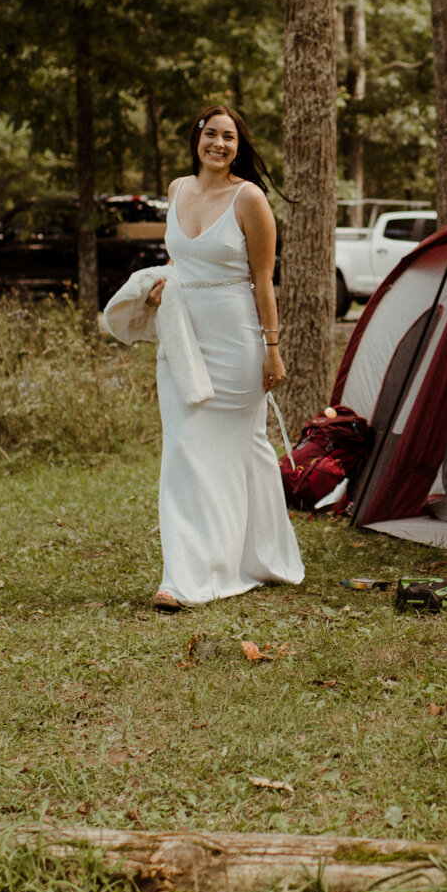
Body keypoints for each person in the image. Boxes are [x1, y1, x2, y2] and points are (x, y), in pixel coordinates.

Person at [143, 105, 305, 611]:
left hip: (236, 339)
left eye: (229, 137)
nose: (219, 143)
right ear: (196, 138)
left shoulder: (249, 198)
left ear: (239, 145)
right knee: (184, 450)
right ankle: (185, 576)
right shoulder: (175, 190)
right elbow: (178, 260)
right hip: (183, 337)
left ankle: (262, 556)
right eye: (211, 134)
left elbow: (262, 279)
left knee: (244, 449)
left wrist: (273, 349)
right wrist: (158, 288)